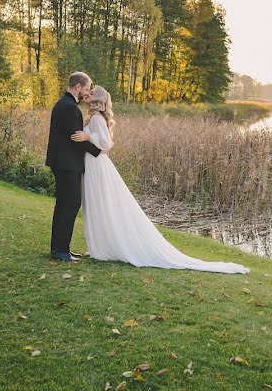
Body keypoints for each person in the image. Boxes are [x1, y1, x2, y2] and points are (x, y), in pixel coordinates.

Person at [72, 85, 249, 274]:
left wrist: (88, 135)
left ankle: (106, 247)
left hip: (97, 165)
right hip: (92, 163)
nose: (87, 95)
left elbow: (106, 144)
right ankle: (101, 246)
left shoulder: (98, 118)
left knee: (102, 204)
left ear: (97, 99)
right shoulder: (92, 117)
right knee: (97, 204)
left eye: (91, 93)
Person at [45, 72, 106, 261]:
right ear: (78, 87)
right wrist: (98, 151)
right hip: (67, 164)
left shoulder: (62, 104)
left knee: (63, 204)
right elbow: (75, 139)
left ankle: (59, 248)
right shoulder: (70, 108)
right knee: (70, 204)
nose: (87, 92)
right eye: (86, 88)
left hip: (62, 162)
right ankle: (61, 250)